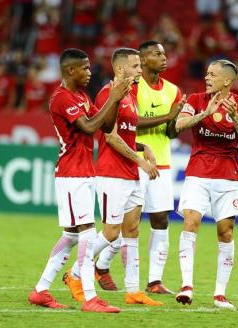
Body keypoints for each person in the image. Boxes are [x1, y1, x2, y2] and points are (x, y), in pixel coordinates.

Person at [28, 48, 131, 313]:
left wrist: (116, 99)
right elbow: (87, 126)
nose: (89, 72)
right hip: (72, 173)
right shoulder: (61, 98)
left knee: (72, 235)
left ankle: (41, 290)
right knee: (86, 233)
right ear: (70, 70)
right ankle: (89, 298)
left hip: (83, 172)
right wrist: (113, 99)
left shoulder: (82, 96)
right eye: (84, 68)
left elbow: (106, 126)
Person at [64, 48, 163, 307]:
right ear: (120, 69)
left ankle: (133, 290)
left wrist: (143, 147)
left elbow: (127, 134)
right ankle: (74, 274)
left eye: (140, 66)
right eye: (135, 66)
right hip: (112, 173)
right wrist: (140, 159)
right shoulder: (109, 94)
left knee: (132, 231)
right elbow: (110, 136)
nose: (140, 70)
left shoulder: (131, 95)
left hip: (130, 172)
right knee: (110, 233)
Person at [95, 40, 186, 294]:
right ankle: (99, 265)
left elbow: (170, 132)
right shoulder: (131, 87)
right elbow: (132, 123)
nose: (164, 57)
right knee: (126, 225)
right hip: (131, 160)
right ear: (143, 61)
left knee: (160, 218)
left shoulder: (172, 90)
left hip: (161, 161)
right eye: (157, 54)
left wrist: (179, 121)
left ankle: (154, 281)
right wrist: (167, 117)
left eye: (165, 53)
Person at [175, 59, 238, 310]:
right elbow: (179, 125)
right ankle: (186, 286)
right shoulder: (197, 100)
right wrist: (205, 114)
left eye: (213, 74)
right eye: (206, 73)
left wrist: (234, 118)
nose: (207, 78)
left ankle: (220, 294)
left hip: (227, 176)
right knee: (191, 221)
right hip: (198, 172)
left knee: (226, 231)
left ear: (227, 80)